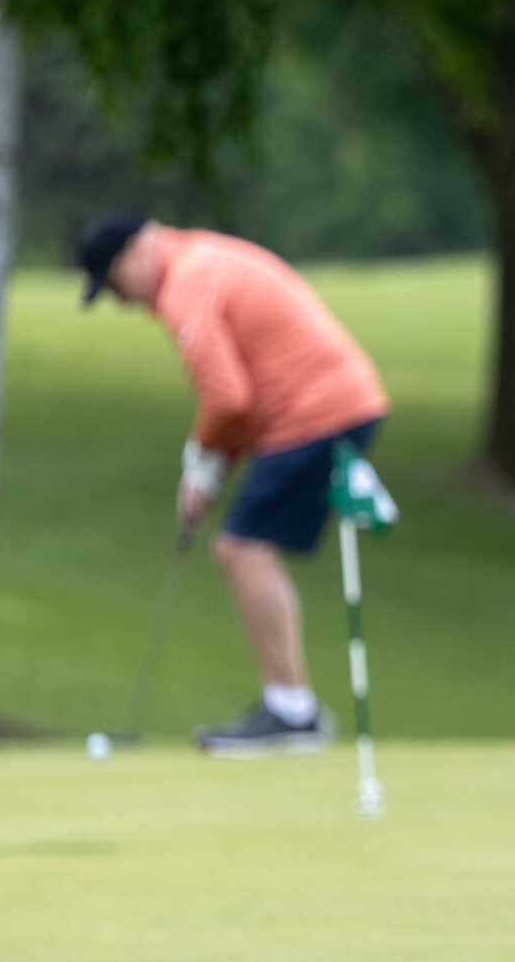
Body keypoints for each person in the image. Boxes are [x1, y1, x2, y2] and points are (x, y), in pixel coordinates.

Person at [76, 211, 391, 756]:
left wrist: (201, 460)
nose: (123, 302)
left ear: (136, 251)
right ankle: (292, 708)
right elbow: (239, 405)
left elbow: (226, 397)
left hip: (318, 411)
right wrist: (212, 468)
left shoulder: (186, 283)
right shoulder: (199, 258)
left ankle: (291, 711)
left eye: (115, 285)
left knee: (241, 548)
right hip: (334, 405)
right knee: (244, 546)